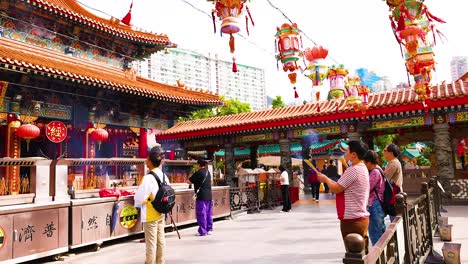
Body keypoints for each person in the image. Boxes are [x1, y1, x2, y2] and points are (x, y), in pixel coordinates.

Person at [317, 140, 370, 252]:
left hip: (352, 219)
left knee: (354, 255)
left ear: (354, 154)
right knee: (362, 253)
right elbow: (340, 185)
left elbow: (336, 188)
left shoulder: (353, 170)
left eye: (347, 151)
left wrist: (325, 179)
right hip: (360, 217)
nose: (345, 154)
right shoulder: (363, 168)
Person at [134, 146, 170, 264]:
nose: (145, 160)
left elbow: (139, 198)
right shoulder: (164, 176)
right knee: (161, 241)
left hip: (150, 214)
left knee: (151, 243)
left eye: (147, 158)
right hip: (161, 213)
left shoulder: (148, 178)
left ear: (150, 161)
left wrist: (141, 200)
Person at [364, 150, 386, 245]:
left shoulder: (374, 172)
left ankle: (378, 255)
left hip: (374, 204)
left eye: (365, 162)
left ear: (369, 161)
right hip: (378, 203)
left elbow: (367, 187)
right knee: (380, 229)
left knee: (375, 231)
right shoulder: (379, 169)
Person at [189, 159, 213, 236]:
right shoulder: (207, 172)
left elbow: (188, 181)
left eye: (196, 164)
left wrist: (190, 175)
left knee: (201, 213)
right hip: (209, 195)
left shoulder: (198, 173)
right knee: (208, 213)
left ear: (199, 165)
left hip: (201, 196)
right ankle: (209, 229)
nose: (196, 166)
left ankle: (202, 231)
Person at [383, 144, 403, 222]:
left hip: (394, 193)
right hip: (395, 192)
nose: (383, 152)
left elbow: (385, 178)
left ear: (391, 153)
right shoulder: (393, 162)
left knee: (394, 217)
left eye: (385, 151)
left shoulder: (393, 163)